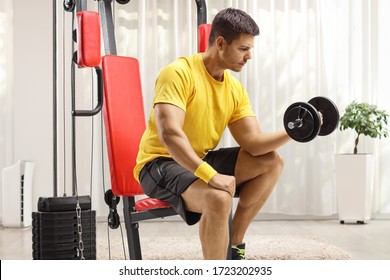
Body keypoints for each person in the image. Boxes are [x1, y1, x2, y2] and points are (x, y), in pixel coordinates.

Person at [134, 8, 291, 260]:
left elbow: (254, 143)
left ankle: (234, 245)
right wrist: (211, 175)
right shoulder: (178, 73)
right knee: (218, 198)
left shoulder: (234, 89)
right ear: (220, 43)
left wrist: (294, 131)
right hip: (159, 164)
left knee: (272, 162)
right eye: (243, 49)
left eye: (250, 49)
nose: (249, 56)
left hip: (197, 159)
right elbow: (170, 134)